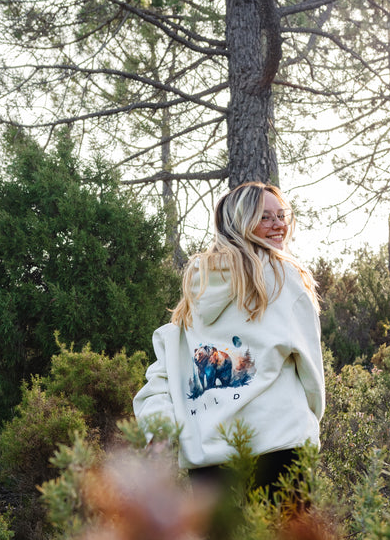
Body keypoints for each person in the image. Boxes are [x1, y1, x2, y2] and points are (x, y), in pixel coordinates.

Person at [133, 181, 324, 495]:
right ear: (240, 224)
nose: (279, 225)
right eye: (265, 217)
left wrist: (159, 432)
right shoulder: (284, 278)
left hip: (210, 461)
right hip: (281, 448)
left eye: (281, 215)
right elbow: (312, 377)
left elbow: (165, 374)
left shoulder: (197, 290)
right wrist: (308, 425)